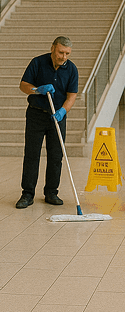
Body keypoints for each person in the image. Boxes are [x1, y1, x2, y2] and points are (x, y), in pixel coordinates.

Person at [16, 36, 79, 209]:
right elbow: (23, 85)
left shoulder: (72, 69)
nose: (63, 57)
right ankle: (27, 194)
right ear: (53, 48)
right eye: (61, 52)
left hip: (57, 117)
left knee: (56, 155)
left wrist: (63, 111)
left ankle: (51, 192)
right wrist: (37, 90)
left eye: (67, 53)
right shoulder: (37, 63)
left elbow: (72, 95)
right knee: (31, 154)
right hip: (36, 114)